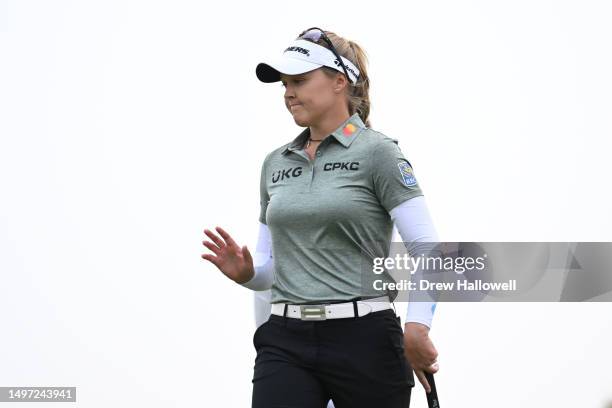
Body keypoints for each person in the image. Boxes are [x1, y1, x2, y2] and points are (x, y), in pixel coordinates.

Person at [201, 27, 440, 408]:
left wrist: (416, 328)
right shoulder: (275, 163)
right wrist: (247, 273)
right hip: (285, 339)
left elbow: (427, 248)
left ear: (339, 82)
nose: (288, 92)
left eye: (299, 80)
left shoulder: (379, 153)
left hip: (365, 338)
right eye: (284, 84)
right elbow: (270, 269)